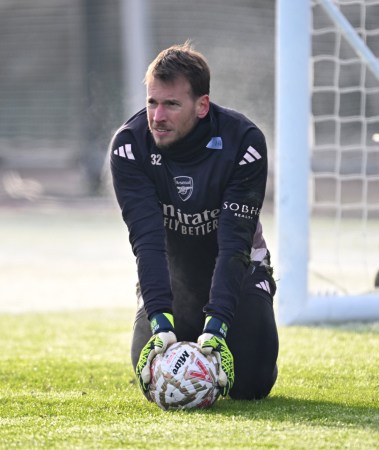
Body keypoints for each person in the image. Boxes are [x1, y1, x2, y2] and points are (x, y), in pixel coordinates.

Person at [110, 42, 278, 401]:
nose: (157, 116)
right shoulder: (130, 147)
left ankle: (247, 325)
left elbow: (235, 246)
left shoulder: (244, 144)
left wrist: (216, 326)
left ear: (202, 106)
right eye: (152, 102)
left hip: (240, 273)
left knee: (252, 385)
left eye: (171, 104)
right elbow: (147, 243)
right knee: (154, 383)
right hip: (175, 280)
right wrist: (159, 319)